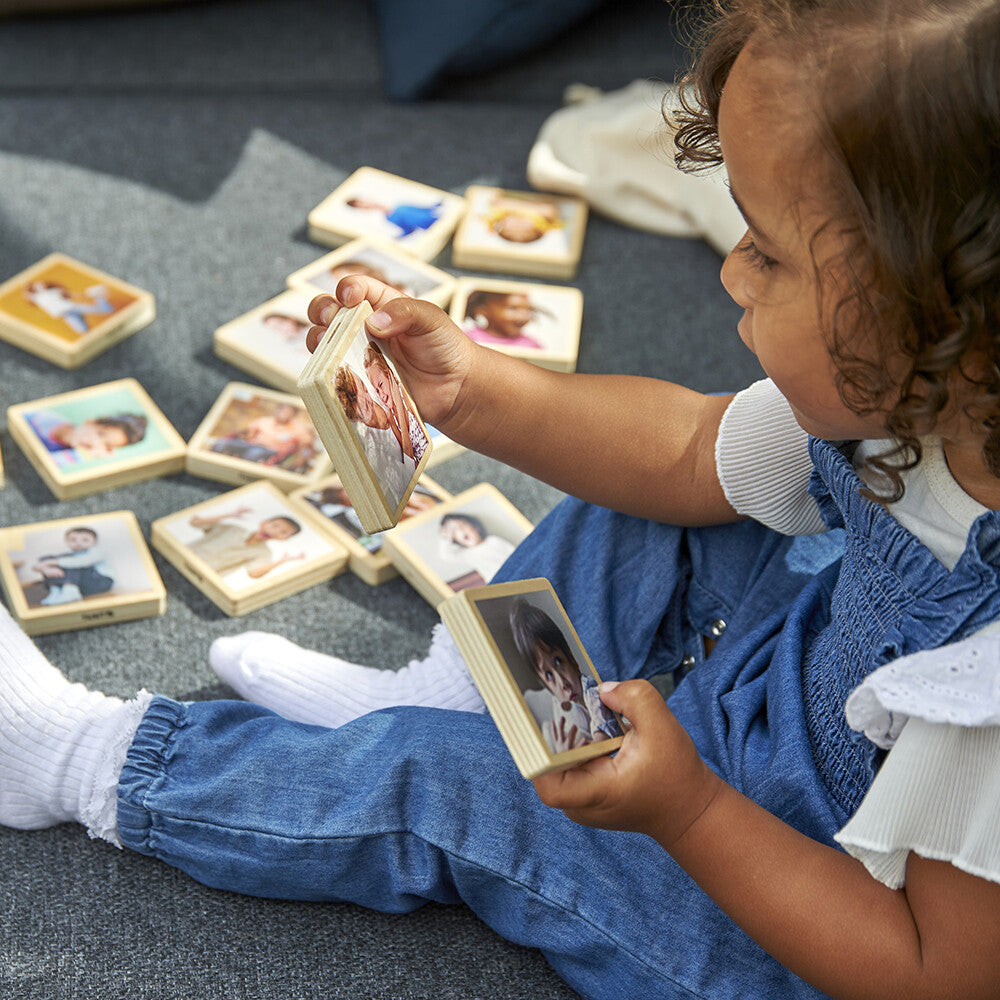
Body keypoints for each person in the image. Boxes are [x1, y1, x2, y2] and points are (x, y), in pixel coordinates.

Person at [2, 3, 1000, 998]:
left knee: (455, 787)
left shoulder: (983, 689)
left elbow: (924, 972)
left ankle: (86, 761)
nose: (730, 270)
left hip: (786, 922)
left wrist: (687, 810)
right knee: (658, 510)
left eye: (769, 253)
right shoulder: (912, 392)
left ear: (940, 317)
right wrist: (475, 391)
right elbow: (690, 449)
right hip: (786, 708)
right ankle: (460, 691)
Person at [508, 597, 622, 752]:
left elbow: (601, 736)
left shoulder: (592, 692)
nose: (563, 683)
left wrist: (579, 753)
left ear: (571, 657)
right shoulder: (559, 711)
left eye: (558, 661)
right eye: (548, 675)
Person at [335, 362, 416, 505]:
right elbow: (405, 483)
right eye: (363, 392)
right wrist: (399, 415)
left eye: (364, 387)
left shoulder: (377, 394)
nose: (369, 394)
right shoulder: (374, 452)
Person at [185, 506, 305, 580]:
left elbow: (253, 573)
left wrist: (282, 561)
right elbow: (195, 522)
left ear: (284, 539)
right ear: (263, 523)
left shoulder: (264, 553)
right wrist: (229, 515)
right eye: (275, 526)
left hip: (200, 577)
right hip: (182, 557)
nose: (275, 531)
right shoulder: (234, 529)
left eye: (283, 532)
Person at [362, 340, 429, 464]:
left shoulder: (404, 392)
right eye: (376, 390)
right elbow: (409, 458)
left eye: (381, 385)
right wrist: (397, 407)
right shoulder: (391, 416)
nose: (381, 395)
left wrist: (399, 403)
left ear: (389, 375)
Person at [24, 409, 147, 466]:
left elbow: (44, 464)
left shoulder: (70, 456)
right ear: (90, 422)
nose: (94, 444)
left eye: (106, 446)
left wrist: (87, 455)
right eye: (100, 434)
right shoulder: (40, 418)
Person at [31, 526, 114, 606]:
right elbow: (36, 566)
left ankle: (70, 591)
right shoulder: (70, 554)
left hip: (101, 582)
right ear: (67, 542)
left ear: (94, 542)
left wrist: (48, 564)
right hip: (81, 586)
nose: (78, 543)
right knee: (50, 558)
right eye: (73, 540)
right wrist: (46, 569)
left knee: (70, 563)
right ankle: (56, 592)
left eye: (85, 540)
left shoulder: (97, 552)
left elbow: (81, 562)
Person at [438, 512, 516, 585]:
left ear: (476, 527)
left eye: (462, 525)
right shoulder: (467, 554)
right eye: (454, 531)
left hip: (513, 573)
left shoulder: (492, 541)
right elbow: (446, 556)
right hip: (496, 583)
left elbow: (514, 552)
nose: (461, 530)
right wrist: (446, 539)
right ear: (455, 539)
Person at [23, 279, 116, 334]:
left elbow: (71, 295)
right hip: (66, 314)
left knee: (106, 310)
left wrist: (86, 295)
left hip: (72, 307)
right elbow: (27, 295)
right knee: (83, 330)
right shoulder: (37, 297)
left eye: (41, 285)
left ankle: (99, 297)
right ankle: (97, 295)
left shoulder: (55, 291)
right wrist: (27, 286)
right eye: (36, 286)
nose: (40, 286)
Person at [462, 290, 545, 349]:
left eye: (528, 309)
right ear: (484, 310)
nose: (523, 316)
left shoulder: (531, 345)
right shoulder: (469, 339)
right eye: (513, 308)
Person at [345, 195, 442, 239]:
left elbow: (424, 208)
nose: (366, 205)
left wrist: (439, 204)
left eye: (363, 202)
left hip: (438, 219)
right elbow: (409, 230)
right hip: (432, 230)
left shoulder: (400, 204)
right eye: (362, 207)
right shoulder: (388, 219)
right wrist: (396, 239)